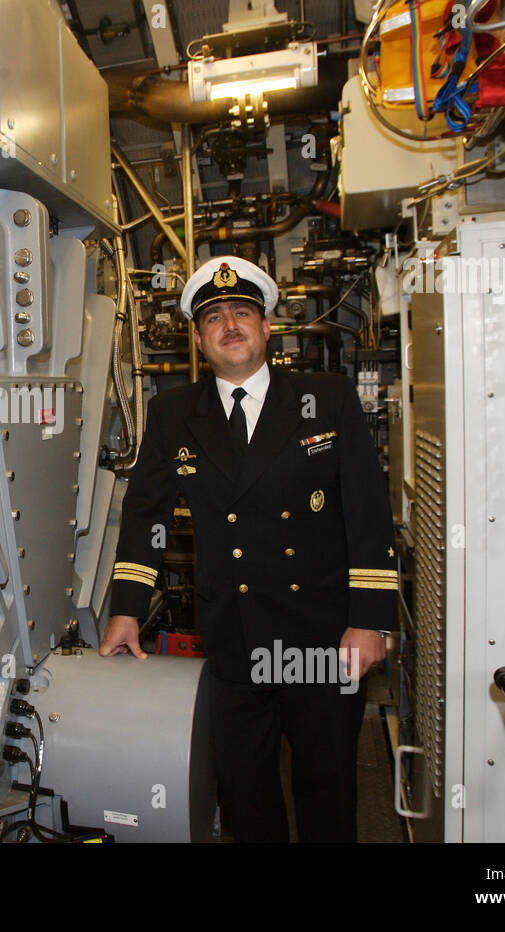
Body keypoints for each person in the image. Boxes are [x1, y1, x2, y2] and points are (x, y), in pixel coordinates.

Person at [99, 255, 398, 842]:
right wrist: (127, 609)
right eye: (214, 317)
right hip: (235, 640)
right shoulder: (172, 414)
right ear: (199, 338)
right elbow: (147, 516)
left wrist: (370, 623)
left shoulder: (326, 398)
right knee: (245, 793)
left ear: (266, 327)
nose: (229, 324)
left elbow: (368, 515)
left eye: (242, 312)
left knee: (328, 788)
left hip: (323, 637)